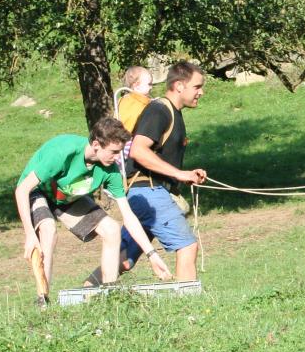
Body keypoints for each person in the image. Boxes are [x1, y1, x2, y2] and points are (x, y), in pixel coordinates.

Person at [15, 117, 171, 307]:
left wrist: (152, 255)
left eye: (120, 152)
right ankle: (43, 300)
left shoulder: (110, 170)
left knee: (112, 229)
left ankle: (111, 297)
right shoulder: (63, 152)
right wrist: (30, 235)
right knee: (48, 229)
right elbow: (22, 190)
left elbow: (128, 216)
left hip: (66, 196)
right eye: (113, 152)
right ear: (96, 144)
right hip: (36, 191)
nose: (116, 158)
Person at [117, 60, 208, 282]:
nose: (201, 92)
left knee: (121, 259)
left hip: (144, 194)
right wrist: (179, 174)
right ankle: (187, 308)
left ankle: (85, 293)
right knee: (187, 246)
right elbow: (138, 150)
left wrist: (186, 174)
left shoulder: (174, 113)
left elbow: (158, 156)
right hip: (148, 191)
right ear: (179, 85)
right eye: (197, 86)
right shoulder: (159, 110)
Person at [116, 65, 153, 131]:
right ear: (136, 85)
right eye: (149, 84)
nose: (151, 87)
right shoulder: (138, 104)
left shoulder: (123, 100)